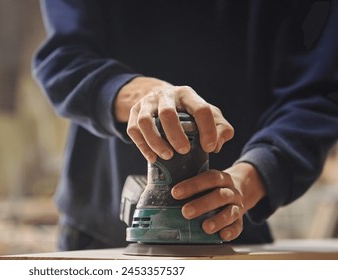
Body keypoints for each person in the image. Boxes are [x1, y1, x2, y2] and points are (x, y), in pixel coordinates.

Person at [32, 0, 338, 251]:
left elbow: (318, 94)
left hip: (229, 225)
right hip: (99, 231)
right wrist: (143, 96)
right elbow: (64, 57)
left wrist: (247, 181)